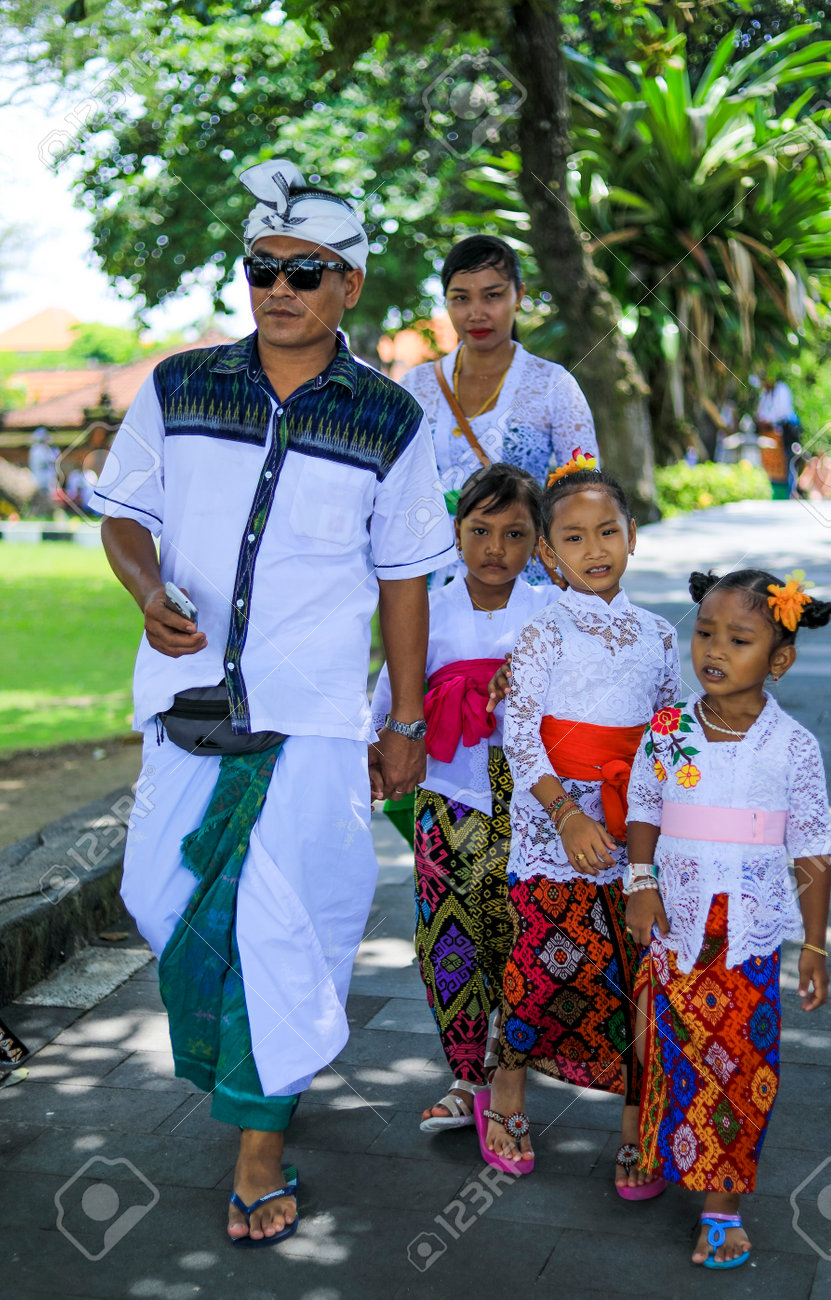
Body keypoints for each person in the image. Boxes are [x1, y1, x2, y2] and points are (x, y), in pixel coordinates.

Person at [93, 157, 456, 1247]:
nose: (279, 288)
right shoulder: (179, 384)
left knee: (287, 931)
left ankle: (260, 1140)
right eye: (262, 270)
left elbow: (403, 581)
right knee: (162, 898)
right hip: (188, 709)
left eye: (305, 272)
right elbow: (123, 514)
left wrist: (405, 721)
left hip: (310, 725)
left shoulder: (391, 416)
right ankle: (255, 1065)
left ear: (350, 283)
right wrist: (150, 588)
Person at [478, 453, 680, 1181]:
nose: (593, 550)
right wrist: (564, 816)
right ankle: (506, 1092)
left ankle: (637, 1119)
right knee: (544, 965)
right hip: (552, 824)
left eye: (607, 532)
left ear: (632, 536)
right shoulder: (544, 632)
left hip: (634, 826)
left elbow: (666, 734)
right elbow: (520, 734)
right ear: (546, 553)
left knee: (638, 970)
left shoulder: (659, 634)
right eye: (572, 538)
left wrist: (655, 828)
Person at [626, 568, 831, 1270]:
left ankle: (720, 1206)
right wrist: (638, 881)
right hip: (675, 930)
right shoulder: (666, 732)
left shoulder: (791, 748)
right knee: (667, 1051)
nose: (713, 650)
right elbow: (643, 811)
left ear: (777, 659)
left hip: (746, 937)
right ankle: (661, 1148)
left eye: (738, 639)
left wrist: (814, 945)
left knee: (740, 1067)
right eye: (705, 633)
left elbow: (809, 850)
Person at [372, 462, 558, 1130]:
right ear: (454, 533)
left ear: (538, 542)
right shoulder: (424, 611)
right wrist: (373, 758)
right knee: (446, 939)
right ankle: (463, 1074)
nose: (494, 549)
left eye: (514, 534)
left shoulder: (549, 614)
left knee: (517, 937)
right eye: (479, 530)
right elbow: (394, 697)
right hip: (446, 798)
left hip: (531, 807)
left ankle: (508, 1075)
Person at [400, 234, 597, 583]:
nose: (476, 313)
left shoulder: (554, 384)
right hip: (433, 585)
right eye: (460, 298)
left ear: (518, 296)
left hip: (529, 587)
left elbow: (585, 495)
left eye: (492, 295)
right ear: (445, 302)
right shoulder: (415, 386)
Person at [756, 369, 798, 499]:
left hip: (785, 434)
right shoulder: (765, 394)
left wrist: (768, 420)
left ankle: (788, 493)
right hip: (769, 435)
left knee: (787, 462)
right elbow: (760, 412)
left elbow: (782, 413)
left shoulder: (781, 389)